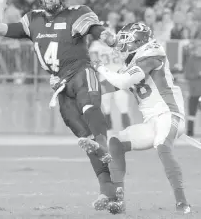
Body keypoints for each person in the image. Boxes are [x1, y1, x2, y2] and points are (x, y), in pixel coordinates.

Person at [0, 0, 117, 210]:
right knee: (85, 138)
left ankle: (105, 146)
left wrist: (107, 37)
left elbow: (96, 28)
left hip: (80, 72)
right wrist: (1, 1)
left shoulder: (77, 12)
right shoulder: (32, 20)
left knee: (90, 108)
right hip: (59, 85)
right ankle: (109, 191)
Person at [79, 22, 201, 214]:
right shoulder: (134, 62)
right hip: (151, 122)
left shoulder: (153, 54)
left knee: (162, 147)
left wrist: (99, 66)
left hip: (168, 114)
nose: (123, 46)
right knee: (116, 141)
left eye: (126, 42)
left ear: (139, 41)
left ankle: (182, 203)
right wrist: (85, 97)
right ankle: (118, 200)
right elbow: (112, 86)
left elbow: (123, 80)